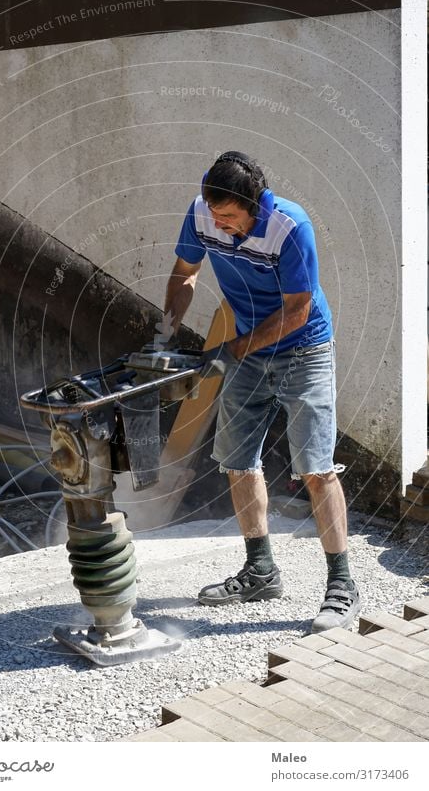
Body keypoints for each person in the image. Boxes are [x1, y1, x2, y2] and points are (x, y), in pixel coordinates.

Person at [162, 151, 360, 633]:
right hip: (248, 349)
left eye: (229, 218)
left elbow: (296, 311)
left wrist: (231, 350)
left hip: (304, 350)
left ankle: (342, 585)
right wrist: (162, 335)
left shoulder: (291, 227)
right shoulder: (203, 211)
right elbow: (186, 272)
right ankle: (260, 570)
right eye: (215, 215)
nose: (220, 225)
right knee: (236, 460)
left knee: (316, 468)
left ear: (256, 206)